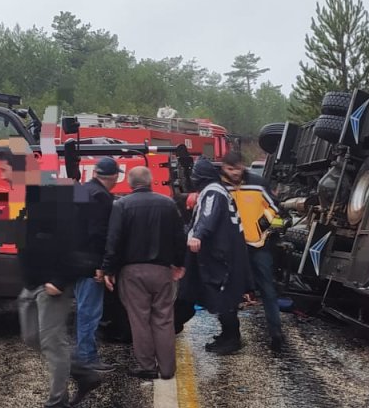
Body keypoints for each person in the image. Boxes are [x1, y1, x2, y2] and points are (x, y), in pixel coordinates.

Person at [17, 180, 106, 408]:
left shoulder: (55, 209)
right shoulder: (24, 200)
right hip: (31, 283)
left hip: (52, 286)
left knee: (53, 345)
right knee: (32, 337)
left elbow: (73, 247)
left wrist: (59, 279)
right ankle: (84, 374)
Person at [102, 166, 187, 380]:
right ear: (150, 182)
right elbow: (180, 236)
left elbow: (114, 240)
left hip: (132, 272)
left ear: (130, 183)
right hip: (162, 270)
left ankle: (147, 366)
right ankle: (167, 369)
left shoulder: (121, 205)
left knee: (139, 319)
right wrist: (179, 264)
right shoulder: (168, 204)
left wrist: (109, 269)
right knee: (164, 318)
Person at [183, 158, 251, 355]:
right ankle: (228, 335)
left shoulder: (212, 191)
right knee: (223, 295)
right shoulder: (218, 189)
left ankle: (231, 338)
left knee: (223, 296)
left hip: (222, 254)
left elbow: (207, 216)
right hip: (229, 252)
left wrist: (197, 236)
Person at [222, 151, 288, 352]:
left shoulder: (258, 183)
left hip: (258, 246)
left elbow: (275, 206)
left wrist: (261, 225)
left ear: (243, 166)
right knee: (230, 291)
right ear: (224, 167)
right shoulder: (220, 187)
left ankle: (276, 334)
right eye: (230, 169)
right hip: (232, 248)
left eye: (237, 168)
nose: (234, 173)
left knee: (267, 290)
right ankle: (231, 336)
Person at [71, 157, 117, 371]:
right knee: (90, 311)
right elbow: (98, 234)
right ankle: (87, 359)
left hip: (77, 259)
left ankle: (81, 353)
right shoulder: (101, 197)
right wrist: (101, 265)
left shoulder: (82, 190)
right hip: (90, 262)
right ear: (114, 176)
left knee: (83, 308)